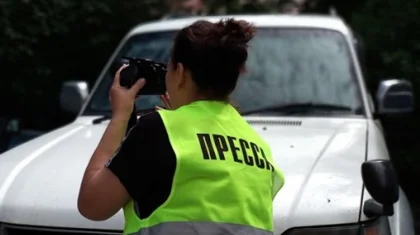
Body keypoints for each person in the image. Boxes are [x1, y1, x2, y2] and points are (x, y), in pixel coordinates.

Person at [77, 18, 285, 235]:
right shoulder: (259, 147)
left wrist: (120, 116)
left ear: (181, 73)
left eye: (168, 68)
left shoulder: (159, 130)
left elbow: (92, 205)